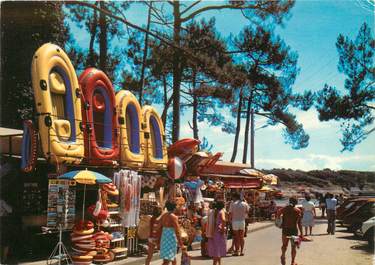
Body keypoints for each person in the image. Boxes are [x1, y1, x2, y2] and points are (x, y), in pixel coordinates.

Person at [158, 201, 186, 265]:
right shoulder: (174, 217)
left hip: (164, 238)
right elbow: (177, 232)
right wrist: (181, 244)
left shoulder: (164, 215)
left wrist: (158, 240)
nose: (177, 207)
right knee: (167, 261)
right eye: (176, 206)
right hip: (171, 239)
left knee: (173, 258)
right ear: (174, 208)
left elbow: (158, 227)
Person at [277, 197, 303, 265]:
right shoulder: (298, 210)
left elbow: (278, 213)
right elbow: (299, 223)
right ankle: (293, 261)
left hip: (285, 229)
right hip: (294, 230)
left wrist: (280, 222)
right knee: (293, 246)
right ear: (296, 202)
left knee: (284, 245)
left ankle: (283, 255)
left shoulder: (284, 209)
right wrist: (302, 233)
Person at [207, 201, 227, 265]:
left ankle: (219, 263)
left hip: (213, 231)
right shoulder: (221, 211)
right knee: (218, 250)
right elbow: (224, 220)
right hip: (219, 232)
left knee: (216, 249)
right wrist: (223, 228)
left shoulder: (214, 211)